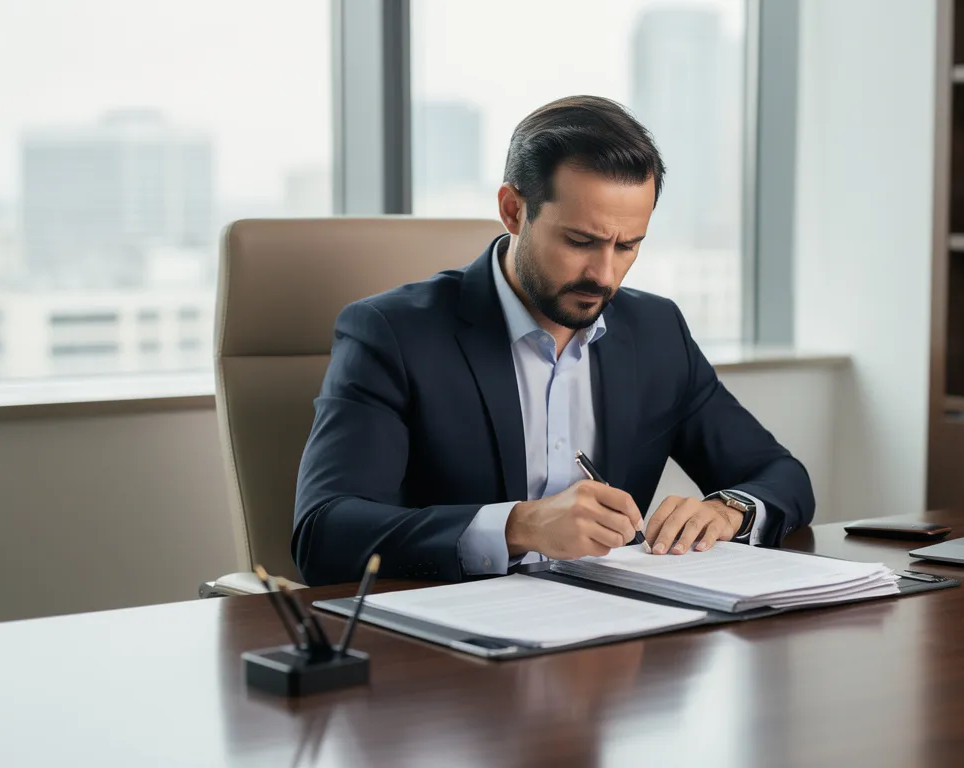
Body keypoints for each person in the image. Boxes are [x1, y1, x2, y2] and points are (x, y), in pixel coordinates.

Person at [292, 95, 815, 586]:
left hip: (618, 636)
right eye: (580, 241)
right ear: (514, 210)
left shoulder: (656, 331)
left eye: (628, 245)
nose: (604, 275)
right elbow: (326, 530)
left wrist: (728, 510)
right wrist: (519, 525)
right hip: (456, 646)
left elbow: (779, 474)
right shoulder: (393, 334)